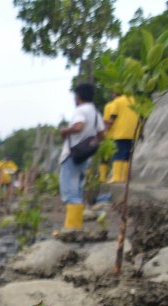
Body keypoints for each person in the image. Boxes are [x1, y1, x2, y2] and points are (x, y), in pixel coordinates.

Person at [56, 82, 104, 233]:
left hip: (72, 156)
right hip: (85, 157)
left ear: (78, 97)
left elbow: (79, 126)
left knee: (70, 192)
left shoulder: (80, 110)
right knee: (77, 190)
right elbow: (102, 134)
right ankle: (75, 226)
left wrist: (65, 131)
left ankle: (72, 228)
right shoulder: (96, 113)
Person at [103, 93, 139, 184]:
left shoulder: (117, 101)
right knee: (127, 155)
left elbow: (112, 117)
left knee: (118, 153)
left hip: (121, 132)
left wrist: (106, 128)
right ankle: (125, 178)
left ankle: (116, 177)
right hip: (133, 132)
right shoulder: (135, 101)